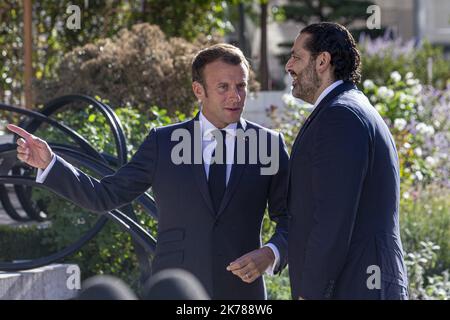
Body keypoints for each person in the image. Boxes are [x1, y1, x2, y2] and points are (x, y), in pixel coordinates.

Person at [7, 43, 289, 300]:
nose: (235, 96)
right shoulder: (162, 143)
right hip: (173, 290)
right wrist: (50, 164)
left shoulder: (268, 145)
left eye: (241, 86)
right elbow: (104, 195)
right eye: (223, 87)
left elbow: (293, 218)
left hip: (242, 294)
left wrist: (271, 253)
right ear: (198, 90)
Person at [285, 22, 408, 299]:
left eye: (296, 56)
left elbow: (332, 218)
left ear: (322, 61)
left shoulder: (340, 116)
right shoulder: (348, 108)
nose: (288, 66)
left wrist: (310, 293)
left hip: (355, 285)